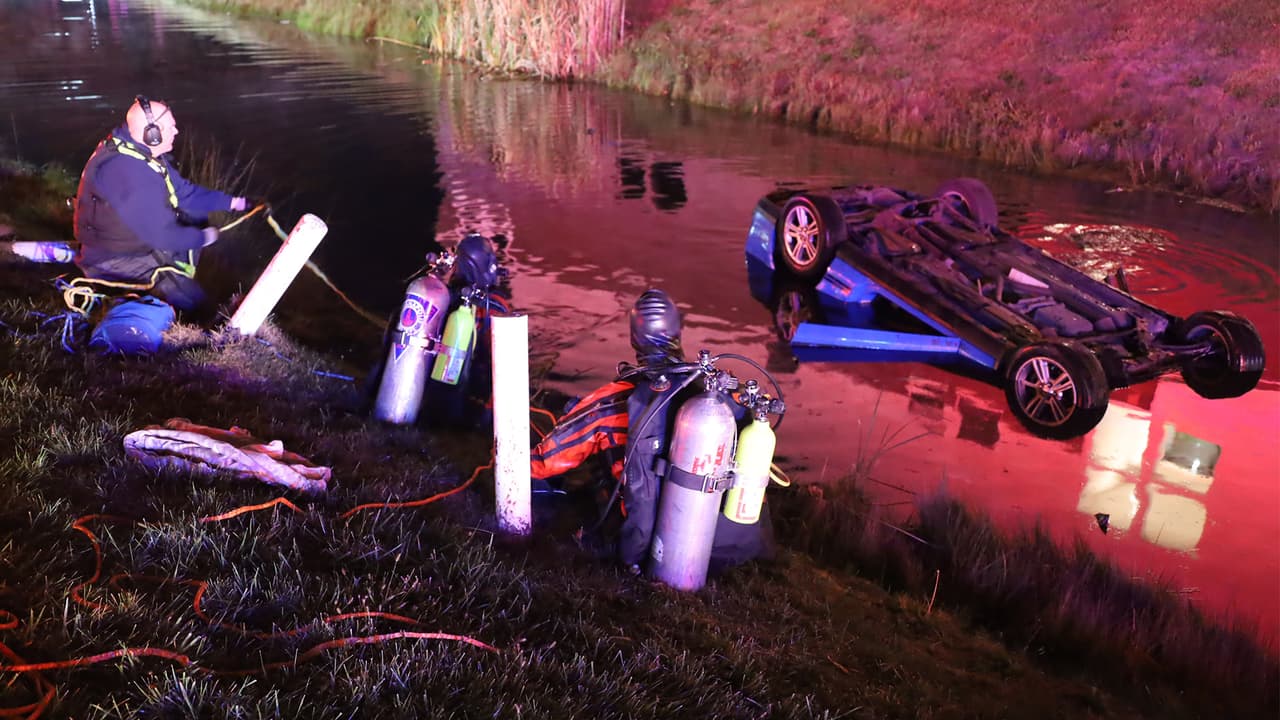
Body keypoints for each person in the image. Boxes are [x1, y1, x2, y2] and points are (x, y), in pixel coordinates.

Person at [530, 288, 773, 574]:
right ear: (678, 333)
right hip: (731, 546)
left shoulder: (618, 400)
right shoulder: (721, 394)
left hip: (656, 550)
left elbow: (546, 460)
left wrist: (511, 462)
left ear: (635, 339)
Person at [73, 95, 249, 314]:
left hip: (132, 243)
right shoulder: (129, 172)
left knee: (195, 215)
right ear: (152, 134)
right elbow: (163, 235)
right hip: (115, 259)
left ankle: (180, 277)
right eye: (171, 127)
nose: (176, 132)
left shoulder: (141, 152)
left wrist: (236, 203)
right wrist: (206, 237)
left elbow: (184, 194)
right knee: (199, 307)